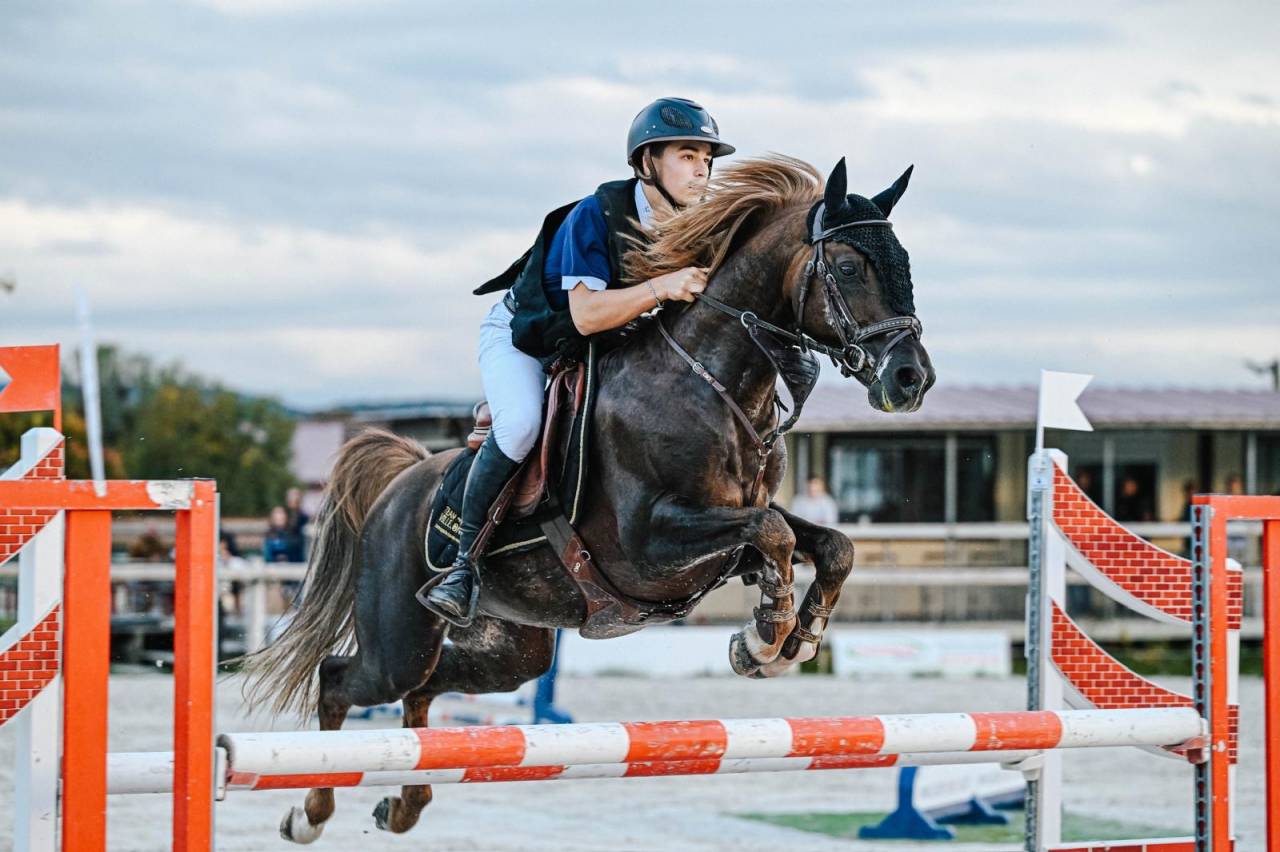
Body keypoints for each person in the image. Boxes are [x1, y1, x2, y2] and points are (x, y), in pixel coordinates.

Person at [420, 97, 736, 626]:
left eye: (706, 158)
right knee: (521, 424)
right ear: (647, 163)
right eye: (687, 155)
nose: (701, 169)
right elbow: (587, 315)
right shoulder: (595, 215)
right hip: (525, 339)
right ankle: (463, 566)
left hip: (596, 347)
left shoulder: (698, 224)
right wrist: (662, 285)